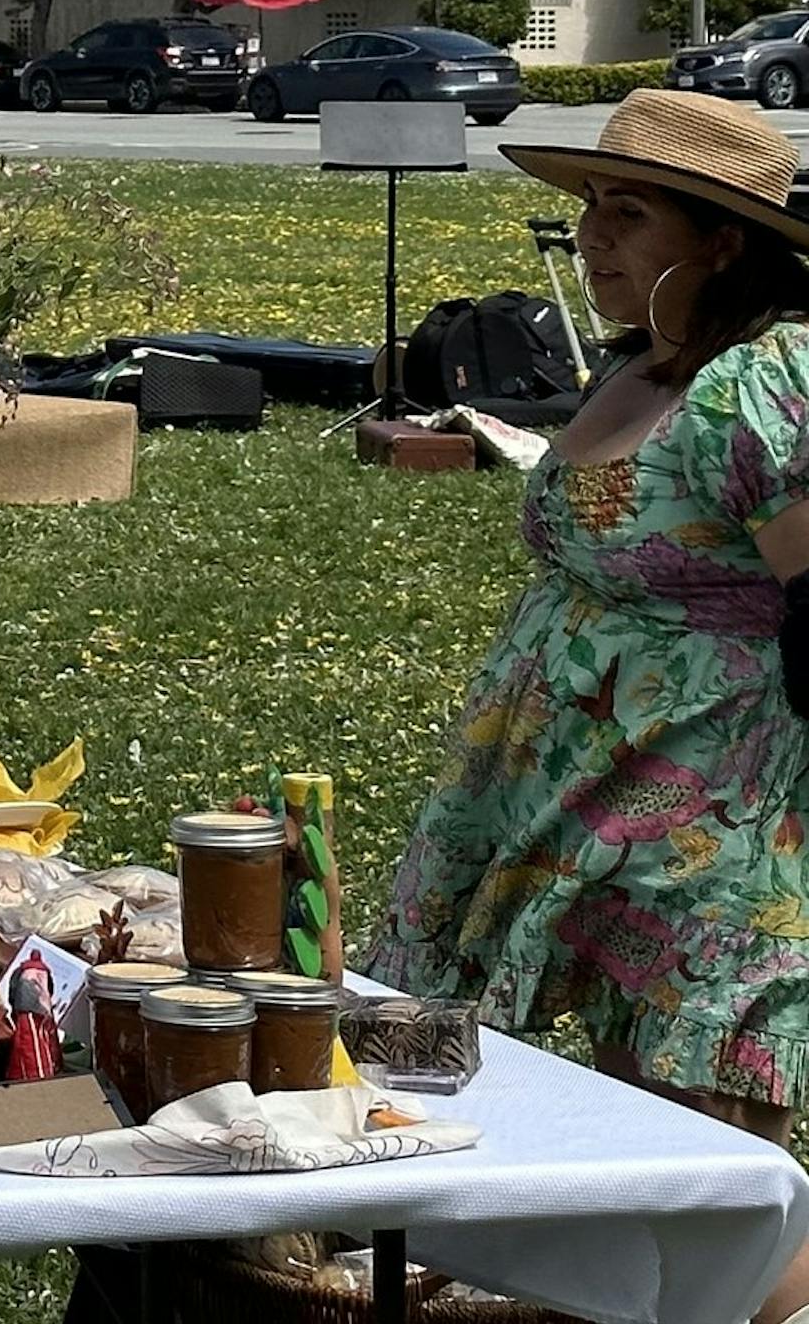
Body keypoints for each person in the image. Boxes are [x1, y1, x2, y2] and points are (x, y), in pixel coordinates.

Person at [374, 94, 809, 1322]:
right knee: (608, 1141)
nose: (591, 240)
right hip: (561, 784)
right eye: (585, 211)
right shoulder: (637, 364)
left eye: (628, 213)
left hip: (711, 812)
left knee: (699, 1163)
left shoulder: (770, 378)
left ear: (721, 239)